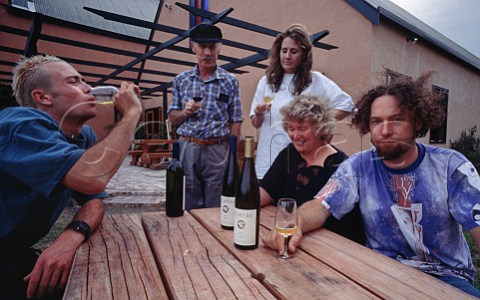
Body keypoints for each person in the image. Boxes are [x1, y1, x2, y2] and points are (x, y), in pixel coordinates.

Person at [263, 72, 480, 297]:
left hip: (445, 278)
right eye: (377, 121)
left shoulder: (450, 166)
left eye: (396, 119)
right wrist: (293, 225)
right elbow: (320, 206)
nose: (385, 130)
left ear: (417, 121)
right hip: (377, 274)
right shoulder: (358, 166)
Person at [0, 55, 142, 299]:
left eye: (84, 80)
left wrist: (72, 234)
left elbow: (93, 198)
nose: (88, 88)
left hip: (13, 253)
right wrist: (132, 113)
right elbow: (93, 177)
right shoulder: (20, 123)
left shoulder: (83, 135)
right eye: (74, 82)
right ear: (42, 97)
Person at [249, 24, 354, 179]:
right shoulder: (266, 82)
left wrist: (319, 122)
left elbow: (347, 105)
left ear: (304, 55)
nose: (287, 56)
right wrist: (258, 113)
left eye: (294, 51)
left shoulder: (316, 80)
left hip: (302, 160)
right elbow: (256, 123)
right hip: (268, 161)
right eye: (284, 51)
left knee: (293, 202)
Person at [260, 94, 364, 244]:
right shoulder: (290, 153)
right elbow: (266, 191)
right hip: (290, 238)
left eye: (302, 128)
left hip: (331, 247)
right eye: (291, 128)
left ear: (320, 130)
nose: (295, 135)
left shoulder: (340, 166)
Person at [168, 24, 243, 210]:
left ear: (220, 47)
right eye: (203, 47)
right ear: (193, 46)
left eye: (212, 46)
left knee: (216, 204)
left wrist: (232, 154)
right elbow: (172, 119)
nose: (208, 52)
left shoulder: (230, 81)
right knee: (189, 202)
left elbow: (236, 120)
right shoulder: (181, 80)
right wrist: (185, 113)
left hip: (217, 149)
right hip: (189, 147)